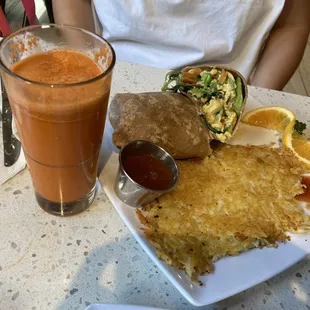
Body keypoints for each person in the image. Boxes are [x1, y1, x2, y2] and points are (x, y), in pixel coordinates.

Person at [52, 0, 310, 91]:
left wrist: (256, 98)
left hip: (230, 88)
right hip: (113, 76)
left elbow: (291, 25)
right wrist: (89, 75)